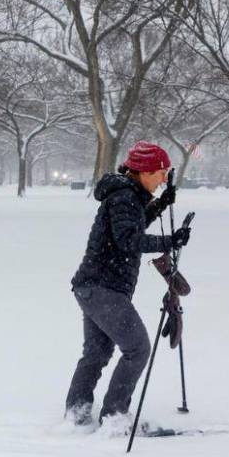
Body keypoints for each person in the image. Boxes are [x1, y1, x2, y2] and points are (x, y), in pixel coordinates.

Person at [65, 141, 191, 430]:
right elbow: (128, 241)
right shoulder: (124, 197)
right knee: (137, 349)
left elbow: (130, 227)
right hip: (103, 288)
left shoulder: (127, 195)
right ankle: (114, 417)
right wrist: (170, 240)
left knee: (96, 353)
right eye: (161, 172)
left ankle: (76, 413)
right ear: (144, 171)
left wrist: (160, 205)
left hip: (92, 286)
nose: (163, 179)